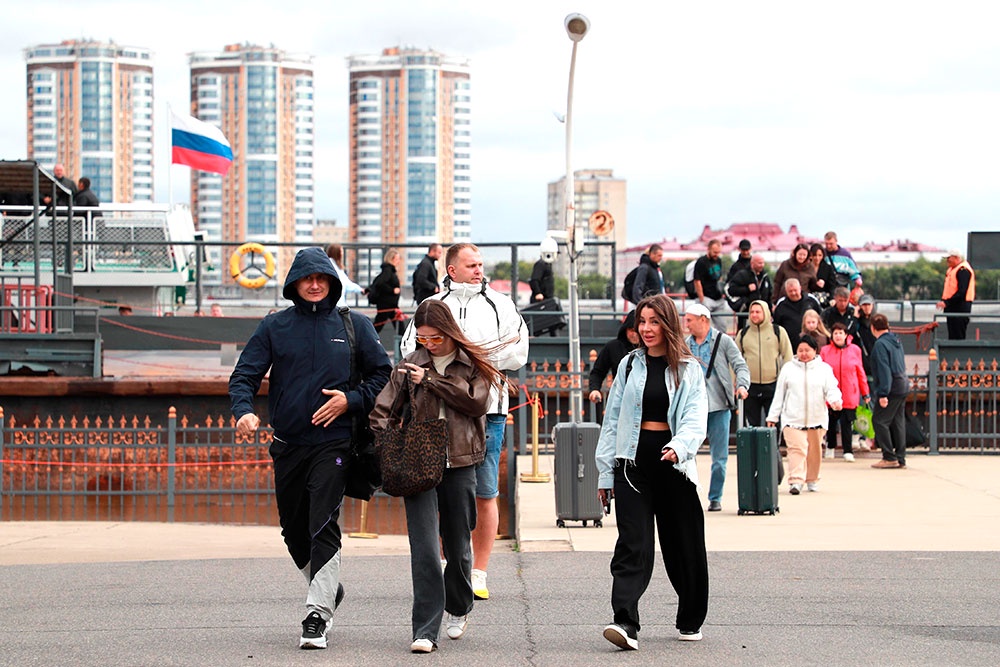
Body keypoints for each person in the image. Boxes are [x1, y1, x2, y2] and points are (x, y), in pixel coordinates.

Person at [229, 247, 392, 650]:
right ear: (294, 285)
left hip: (335, 444)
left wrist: (349, 400)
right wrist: (243, 412)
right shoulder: (274, 327)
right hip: (288, 445)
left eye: (322, 279)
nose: (315, 285)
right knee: (293, 531)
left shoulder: (354, 324)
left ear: (333, 283)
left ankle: (316, 614)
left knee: (323, 523)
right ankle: (328, 587)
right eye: (307, 279)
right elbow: (244, 375)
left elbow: (383, 377)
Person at [370, 300, 505, 654]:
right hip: (418, 462)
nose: (429, 345)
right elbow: (383, 408)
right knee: (426, 547)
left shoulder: (472, 364)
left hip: (460, 461)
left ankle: (459, 606)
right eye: (423, 339)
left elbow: (476, 403)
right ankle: (425, 629)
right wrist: (385, 444)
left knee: (458, 542)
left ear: (449, 333)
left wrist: (431, 380)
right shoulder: (409, 364)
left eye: (435, 339)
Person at [399, 242, 529, 601]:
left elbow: (519, 350)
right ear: (451, 269)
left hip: (490, 410)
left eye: (481, 264)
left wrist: (463, 352)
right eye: (471, 264)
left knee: (485, 491)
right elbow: (412, 348)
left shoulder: (502, 304)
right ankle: (449, 566)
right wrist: (482, 353)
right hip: (438, 414)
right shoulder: (433, 306)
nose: (479, 270)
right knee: (442, 494)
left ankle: (478, 571)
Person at [595, 294, 709, 649]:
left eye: (654, 321)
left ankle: (690, 619)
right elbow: (612, 421)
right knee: (633, 544)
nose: (646, 328)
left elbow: (695, 416)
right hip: (632, 466)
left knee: (683, 547)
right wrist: (605, 472)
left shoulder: (689, 369)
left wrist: (681, 446)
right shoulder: (629, 365)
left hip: (673, 466)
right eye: (641, 321)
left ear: (669, 324)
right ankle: (625, 622)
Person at [684, 303, 749, 512]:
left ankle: (715, 497)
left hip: (719, 405)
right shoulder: (686, 344)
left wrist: (742, 385)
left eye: (690, 320)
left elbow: (740, 364)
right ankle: (689, 494)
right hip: (693, 407)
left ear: (703, 319)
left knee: (719, 457)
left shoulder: (723, 341)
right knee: (687, 454)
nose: (687, 325)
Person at [766, 334, 842, 494]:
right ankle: (796, 480)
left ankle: (812, 479)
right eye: (800, 350)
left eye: (807, 350)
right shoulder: (788, 369)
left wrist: (835, 400)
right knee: (796, 449)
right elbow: (779, 394)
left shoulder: (824, 369)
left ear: (815, 350)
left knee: (814, 451)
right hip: (792, 418)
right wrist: (773, 416)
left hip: (817, 418)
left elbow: (832, 388)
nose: (804, 353)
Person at [736, 300, 794, 427]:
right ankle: (752, 447)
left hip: (773, 385)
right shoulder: (743, 333)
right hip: (750, 387)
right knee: (751, 425)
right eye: (752, 312)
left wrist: (785, 380)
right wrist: (735, 383)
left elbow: (788, 356)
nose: (754, 315)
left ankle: (773, 447)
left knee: (773, 424)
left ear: (766, 313)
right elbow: (734, 360)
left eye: (758, 312)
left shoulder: (778, 331)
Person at [820, 323, 870, 462]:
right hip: (831, 393)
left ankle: (848, 450)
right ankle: (830, 447)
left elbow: (860, 372)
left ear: (846, 335)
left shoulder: (855, 350)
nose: (838, 336)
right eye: (835, 333)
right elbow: (821, 372)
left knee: (847, 423)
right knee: (830, 422)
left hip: (849, 393)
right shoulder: (825, 350)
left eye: (840, 333)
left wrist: (865, 392)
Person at [869, 314, 909, 469]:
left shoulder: (880, 345)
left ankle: (889, 456)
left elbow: (884, 369)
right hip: (902, 384)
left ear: (873, 328)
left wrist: (883, 393)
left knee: (879, 421)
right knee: (898, 422)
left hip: (891, 387)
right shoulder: (896, 341)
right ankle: (901, 457)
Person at [588, 310, 639, 404]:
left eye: (637, 331)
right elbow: (598, 372)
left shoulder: (652, 349)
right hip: (620, 399)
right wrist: (595, 389)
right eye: (631, 330)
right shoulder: (613, 347)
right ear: (625, 330)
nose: (634, 334)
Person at [937, 250, 975, 341]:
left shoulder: (963, 270)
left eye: (949, 258)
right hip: (952, 308)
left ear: (956, 258)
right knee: (952, 336)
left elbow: (962, 292)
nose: (947, 260)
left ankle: (959, 355)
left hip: (960, 309)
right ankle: (953, 355)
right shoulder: (952, 270)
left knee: (958, 337)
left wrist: (946, 302)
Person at [693, 239, 728, 329]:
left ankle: (720, 342)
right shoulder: (701, 262)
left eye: (718, 252)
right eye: (715, 252)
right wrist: (702, 299)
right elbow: (697, 281)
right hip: (706, 297)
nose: (717, 254)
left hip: (717, 297)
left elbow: (719, 277)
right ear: (708, 249)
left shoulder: (718, 260)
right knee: (703, 326)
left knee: (722, 326)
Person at [726, 254, 772, 318]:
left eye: (763, 263)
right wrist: (747, 289)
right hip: (746, 313)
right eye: (759, 263)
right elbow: (731, 290)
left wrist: (770, 311)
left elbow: (769, 295)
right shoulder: (742, 275)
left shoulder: (765, 277)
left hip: (762, 314)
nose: (762, 265)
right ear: (752, 263)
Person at [368, 248, 402, 332]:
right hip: (386, 305)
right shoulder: (388, 271)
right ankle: (365, 341)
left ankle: (404, 344)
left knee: (400, 328)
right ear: (392, 259)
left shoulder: (389, 271)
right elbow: (380, 284)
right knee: (377, 326)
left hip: (391, 305)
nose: (399, 261)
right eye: (397, 259)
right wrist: (392, 290)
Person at [821, 287, 864, 354]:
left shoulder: (853, 312)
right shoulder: (827, 313)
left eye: (845, 301)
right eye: (840, 300)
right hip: (831, 347)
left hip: (851, 347)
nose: (843, 303)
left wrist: (855, 318)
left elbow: (854, 331)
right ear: (835, 299)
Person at [325, 243, 364, 308]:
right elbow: (346, 284)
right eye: (341, 251)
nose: (342, 254)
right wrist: (360, 290)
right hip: (337, 304)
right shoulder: (334, 268)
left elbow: (346, 284)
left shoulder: (332, 266)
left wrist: (359, 290)